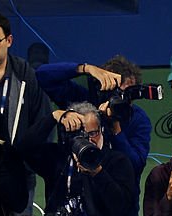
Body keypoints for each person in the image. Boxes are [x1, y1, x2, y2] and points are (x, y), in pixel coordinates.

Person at [29, 101, 137, 216]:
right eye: (81, 135)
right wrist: (53, 117)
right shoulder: (57, 158)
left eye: (93, 133)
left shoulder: (118, 161)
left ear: (101, 131)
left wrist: (98, 173)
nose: (89, 140)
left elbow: (122, 207)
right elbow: (23, 149)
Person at [37, 55, 151, 187]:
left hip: (118, 196)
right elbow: (42, 76)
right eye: (117, 94)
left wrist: (116, 128)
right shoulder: (83, 101)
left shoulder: (138, 119)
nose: (122, 102)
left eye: (128, 96)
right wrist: (85, 68)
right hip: (78, 189)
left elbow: (135, 166)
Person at [0, 11, 54, 157]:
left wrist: (34, 163)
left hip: (20, 168)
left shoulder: (26, 75)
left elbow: (44, 122)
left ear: (9, 41)